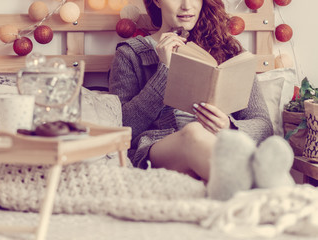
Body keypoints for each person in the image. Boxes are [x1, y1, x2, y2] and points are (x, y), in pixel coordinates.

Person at [108, 0, 276, 194]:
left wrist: (228, 127)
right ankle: (262, 185)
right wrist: (165, 71)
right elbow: (121, 128)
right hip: (159, 149)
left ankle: (240, 183)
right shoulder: (130, 54)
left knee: (201, 134)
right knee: (193, 132)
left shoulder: (229, 50)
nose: (187, 5)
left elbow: (264, 126)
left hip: (218, 146)